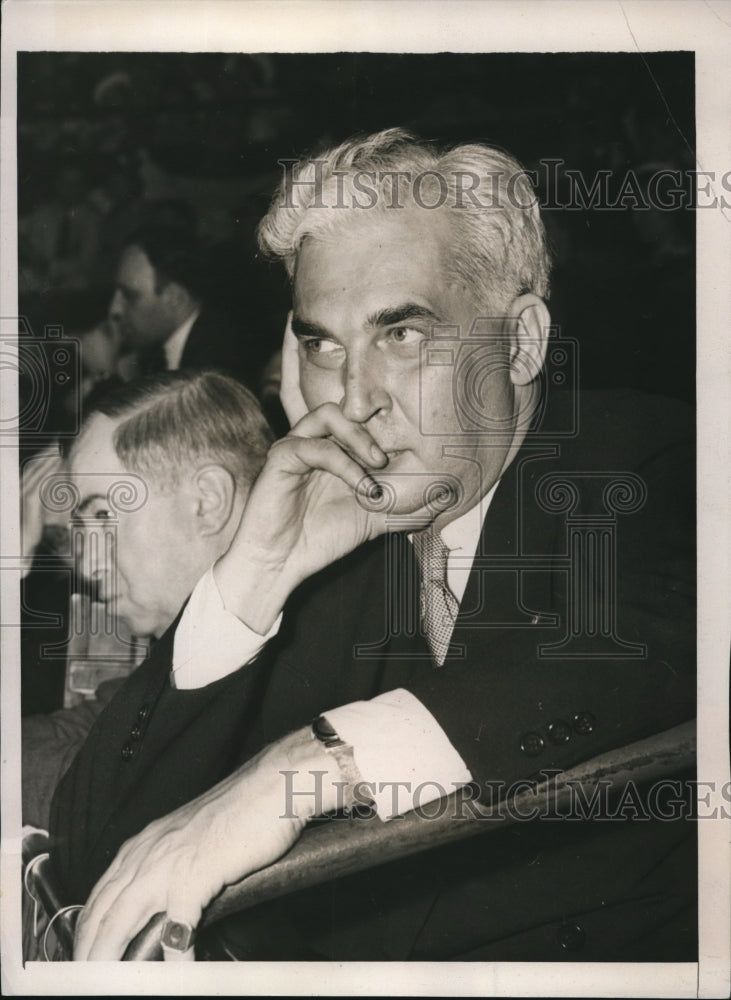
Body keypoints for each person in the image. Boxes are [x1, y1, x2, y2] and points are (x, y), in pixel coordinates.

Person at [50, 129, 695, 962]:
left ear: (521, 343)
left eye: (401, 335)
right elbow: (87, 856)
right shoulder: (340, 549)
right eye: (322, 345)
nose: (353, 400)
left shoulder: (642, 456)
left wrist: (296, 774)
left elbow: (639, 648)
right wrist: (251, 575)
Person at [23, 370, 274, 830]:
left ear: (208, 501)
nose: (88, 566)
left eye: (104, 515)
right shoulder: (191, 641)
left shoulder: (291, 650)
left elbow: (104, 803)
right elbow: (62, 737)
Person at [108, 224, 259, 388]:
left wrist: (107, 373)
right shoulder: (156, 352)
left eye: (129, 296)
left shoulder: (220, 360)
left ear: (175, 297)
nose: (115, 309)